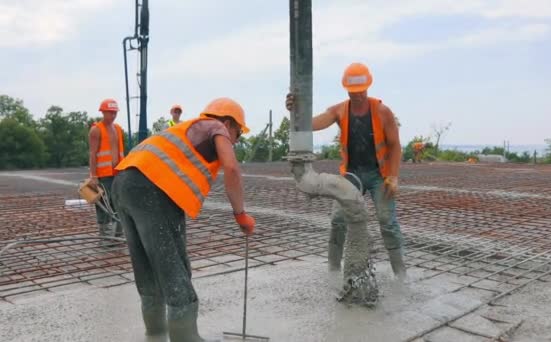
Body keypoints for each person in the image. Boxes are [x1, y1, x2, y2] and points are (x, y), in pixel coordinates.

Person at [111, 97, 255, 341]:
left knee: (146, 268)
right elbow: (231, 168)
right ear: (228, 122)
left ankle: (155, 334)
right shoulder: (216, 127)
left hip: (123, 185)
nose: (236, 140)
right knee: (175, 269)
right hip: (154, 189)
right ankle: (186, 338)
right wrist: (240, 213)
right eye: (238, 133)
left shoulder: (184, 129)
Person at [285, 62, 406, 278]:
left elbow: (395, 145)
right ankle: (333, 269)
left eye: (361, 91)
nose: (357, 95)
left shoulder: (382, 111)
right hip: (352, 175)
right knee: (338, 220)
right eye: (353, 91)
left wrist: (394, 177)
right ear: (347, 89)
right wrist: (297, 111)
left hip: (380, 176)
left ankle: (400, 273)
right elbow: (312, 123)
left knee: (387, 221)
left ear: (367, 87)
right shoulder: (340, 110)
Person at [88, 98, 125, 245]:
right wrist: (93, 175)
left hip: (117, 173)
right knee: (104, 204)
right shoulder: (96, 130)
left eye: (115, 112)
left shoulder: (117, 129)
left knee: (120, 203)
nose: (113, 115)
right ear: (103, 112)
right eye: (110, 112)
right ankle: (105, 236)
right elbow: (92, 153)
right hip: (103, 175)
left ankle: (118, 234)